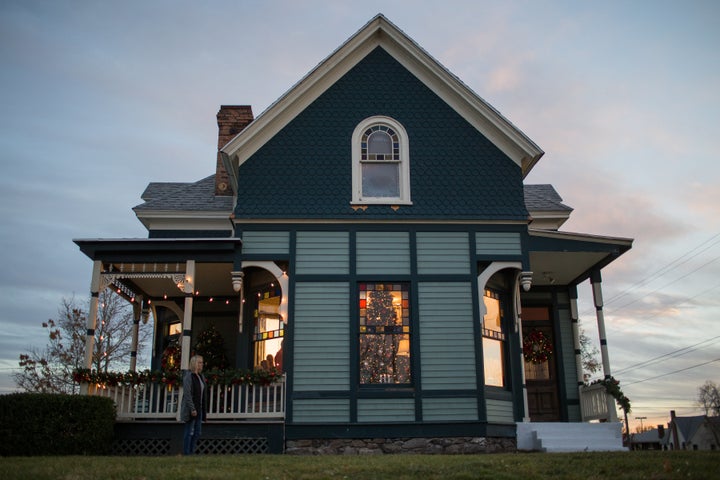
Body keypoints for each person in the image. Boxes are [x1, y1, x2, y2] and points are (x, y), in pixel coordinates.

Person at [181, 355, 207, 455]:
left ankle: (192, 451)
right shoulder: (188, 376)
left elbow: (202, 394)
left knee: (197, 432)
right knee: (189, 432)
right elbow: (187, 394)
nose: (201, 364)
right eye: (200, 362)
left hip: (199, 408)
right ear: (194, 363)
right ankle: (186, 453)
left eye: (202, 362)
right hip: (191, 409)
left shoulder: (201, 377)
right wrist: (192, 408)